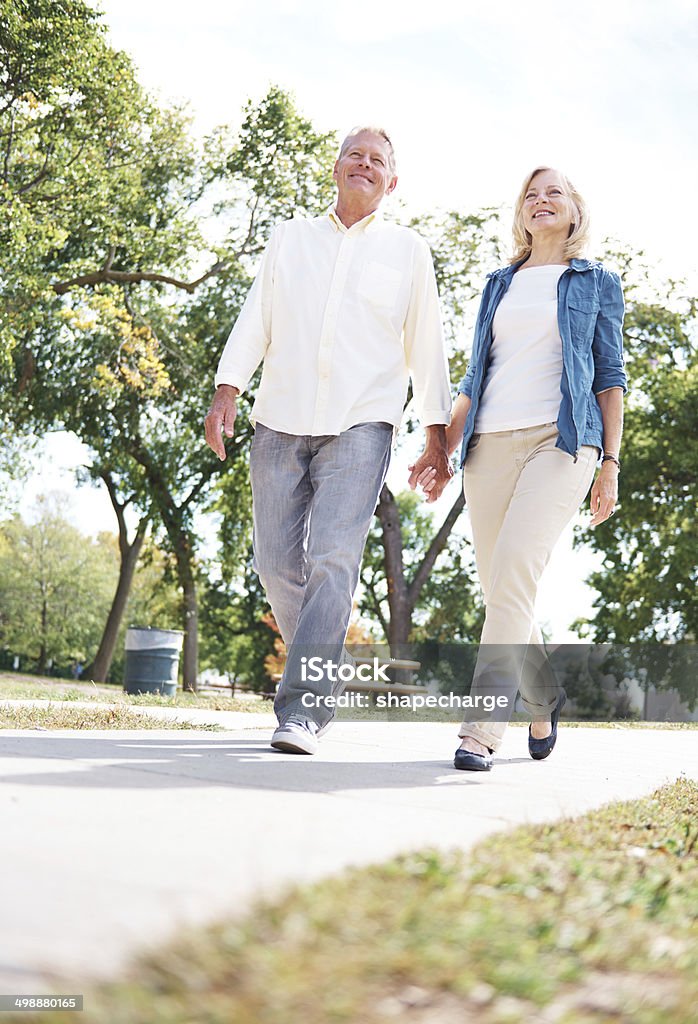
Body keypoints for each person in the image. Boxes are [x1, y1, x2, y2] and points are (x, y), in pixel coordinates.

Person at [204, 127, 452, 755]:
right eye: (355, 155)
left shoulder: (408, 251)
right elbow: (257, 314)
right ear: (335, 167)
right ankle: (325, 661)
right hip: (279, 414)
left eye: (378, 161)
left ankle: (303, 708)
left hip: (362, 422)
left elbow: (426, 345)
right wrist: (227, 388)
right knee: (275, 564)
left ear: (391, 182)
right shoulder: (291, 237)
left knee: (334, 560)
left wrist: (436, 436)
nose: (364, 165)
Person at [413, 166, 626, 771]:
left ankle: (481, 729)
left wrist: (610, 463)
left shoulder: (595, 282)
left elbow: (609, 379)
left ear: (574, 209)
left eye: (553, 191)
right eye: (530, 195)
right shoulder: (498, 284)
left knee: (513, 570)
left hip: (563, 444)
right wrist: (442, 447)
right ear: (520, 213)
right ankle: (541, 697)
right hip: (489, 446)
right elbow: (474, 376)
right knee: (501, 588)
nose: (540, 201)